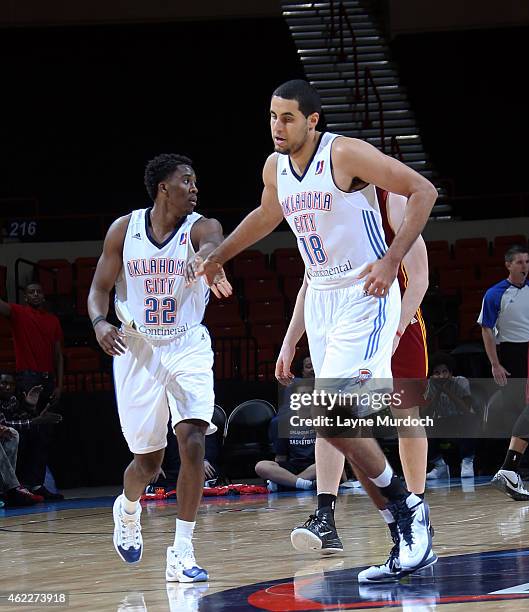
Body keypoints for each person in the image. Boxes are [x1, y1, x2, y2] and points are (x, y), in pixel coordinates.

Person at [195, 80, 438, 578]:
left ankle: (411, 513)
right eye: (271, 116)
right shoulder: (275, 167)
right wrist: (218, 256)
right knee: (338, 426)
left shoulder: (345, 154)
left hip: (364, 295)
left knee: (332, 413)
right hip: (323, 299)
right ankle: (405, 533)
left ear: (313, 121)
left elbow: (423, 190)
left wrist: (393, 260)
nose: (277, 126)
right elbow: (268, 213)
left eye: (287, 117)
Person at [87, 154, 232, 582]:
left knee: (191, 440)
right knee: (147, 464)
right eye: (186, 181)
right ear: (162, 188)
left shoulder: (198, 226)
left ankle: (181, 552)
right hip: (136, 347)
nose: (194, 188)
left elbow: (213, 240)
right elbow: (98, 288)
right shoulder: (123, 230)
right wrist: (99, 323)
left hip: (187, 342)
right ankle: (128, 508)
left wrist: (206, 257)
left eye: (196, 181)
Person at [278, 189, 432, 584]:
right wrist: (291, 338)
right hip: (345, 317)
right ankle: (325, 514)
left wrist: (397, 329)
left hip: (397, 317)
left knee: (404, 416)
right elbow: (310, 280)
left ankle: (415, 510)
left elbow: (420, 277)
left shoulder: (392, 200)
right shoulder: (321, 202)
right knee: (336, 414)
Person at [477, 244, 529, 500]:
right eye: (519, 262)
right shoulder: (495, 293)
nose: (524, 266)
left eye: (527, 262)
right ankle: (509, 468)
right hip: (514, 353)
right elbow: (486, 329)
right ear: (508, 264)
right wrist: (495, 363)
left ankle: (510, 468)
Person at [256, 356, 316, 492]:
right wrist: (278, 474)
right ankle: (302, 484)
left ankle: (290, 483)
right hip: (292, 467)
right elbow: (280, 458)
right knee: (261, 466)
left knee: (326, 465)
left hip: (314, 467)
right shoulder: (283, 422)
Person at [0, 283, 64, 412]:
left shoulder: (53, 320)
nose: (35, 294)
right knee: (29, 420)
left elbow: (58, 355)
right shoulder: (18, 312)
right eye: (31, 292)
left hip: (49, 379)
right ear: (25, 298)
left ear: (43, 297)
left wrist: (60, 386)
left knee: (49, 422)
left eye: (39, 292)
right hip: (27, 378)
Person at [0, 372, 63, 501]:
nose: (8, 387)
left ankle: (34, 485)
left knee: (38, 433)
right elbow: (4, 424)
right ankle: (12, 489)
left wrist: (30, 407)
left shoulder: (12, 399)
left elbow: (20, 419)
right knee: (15, 434)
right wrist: (34, 421)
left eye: (11, 384)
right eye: (4, 383)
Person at [424, 352, 477, 479]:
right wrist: (437, 392)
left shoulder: (461, 381)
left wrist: (446, 390)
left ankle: (467, 462)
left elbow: (466, 409)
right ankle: (439, 465)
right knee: (423, 424)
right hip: (443, 421)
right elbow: (427, 412)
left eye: (444, 371)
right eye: (437, 373)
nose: (441, 375)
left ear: (451, 372)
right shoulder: (430, 384)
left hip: (462, 419)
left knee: (469, 421)